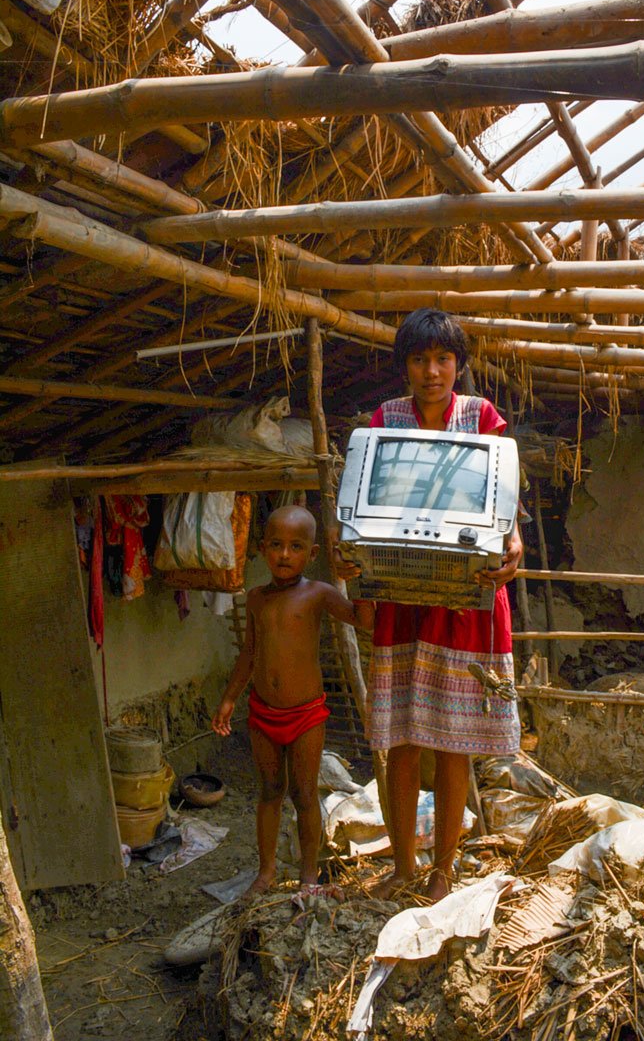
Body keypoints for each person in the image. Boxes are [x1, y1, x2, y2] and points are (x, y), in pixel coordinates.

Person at [337, 308, 523, 902]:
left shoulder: (482, 418)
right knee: (402, 739)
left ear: (459, 366)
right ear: (405, 368)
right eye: (419, 359)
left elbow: (500, 502)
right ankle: (402, 868)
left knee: (453, 740)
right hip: (402, 595)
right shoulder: (385, 421)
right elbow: (366, 504)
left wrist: (511, 541)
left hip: (465, 601)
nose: (432, 370)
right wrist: (351, 552)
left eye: (443, 359)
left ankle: (443, 869)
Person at [212, 504, 375, 896]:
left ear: (313, 554)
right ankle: (265, 873)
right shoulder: (255, 599)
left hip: (306, 714)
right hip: (262, 712)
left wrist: (360, 577)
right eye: (277, 545)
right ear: (263, 548)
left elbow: (362, 619)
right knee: (269, 791)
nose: (285, 555)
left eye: (296, 547)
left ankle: (308, 876)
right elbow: (250, 653)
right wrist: (230, 698)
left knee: (304, 794)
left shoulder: (320, 593)